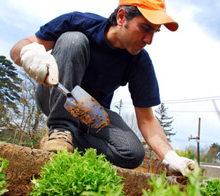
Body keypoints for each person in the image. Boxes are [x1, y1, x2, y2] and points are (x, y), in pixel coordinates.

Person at [10, 0, 194, 175]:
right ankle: (59, 132)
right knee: (72, 39)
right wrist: (29, 54)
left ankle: (68, 142)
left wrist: (172, 157)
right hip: (55, 92)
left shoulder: (139, 62)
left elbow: (147, 120)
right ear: (122, 17)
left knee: (132, 153)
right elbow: (17, 49)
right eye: (145, 28)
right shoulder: (79, 22)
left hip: (91, 113)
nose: (149, 40)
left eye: (155, 32)